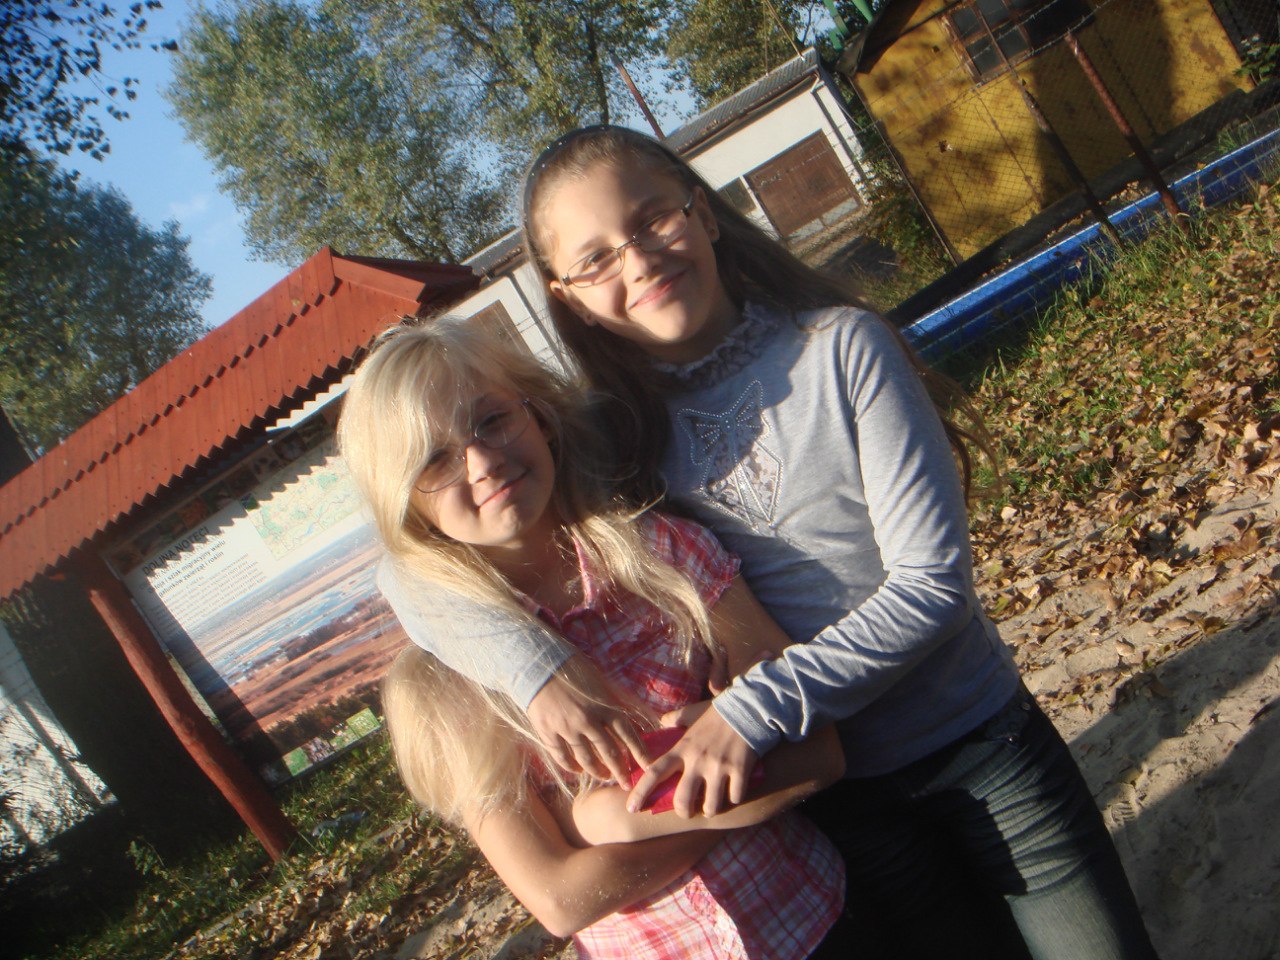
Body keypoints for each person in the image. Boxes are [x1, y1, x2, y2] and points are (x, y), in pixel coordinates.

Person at [382, 123, 1161, 960]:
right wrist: (537, 672)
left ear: (703, 213)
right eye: (596, 258)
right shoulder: (605, 436)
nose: (638, 261)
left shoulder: (840, 350)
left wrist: (752, 711)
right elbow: (409, 574)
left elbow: (932, 586)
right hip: (835, 808)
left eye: (653, 220)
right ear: (567, 296)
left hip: (978, 747)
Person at [340, 319, 852, 959]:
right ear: (406, 503)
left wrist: (600, 823)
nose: (482, 461)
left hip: (814, 918)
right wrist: (706, 773)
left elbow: (818, 754)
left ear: (539, 417)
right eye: (434, 459)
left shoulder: (666, 556)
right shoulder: (447, 689)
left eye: (492, 420)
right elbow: (558, 900)